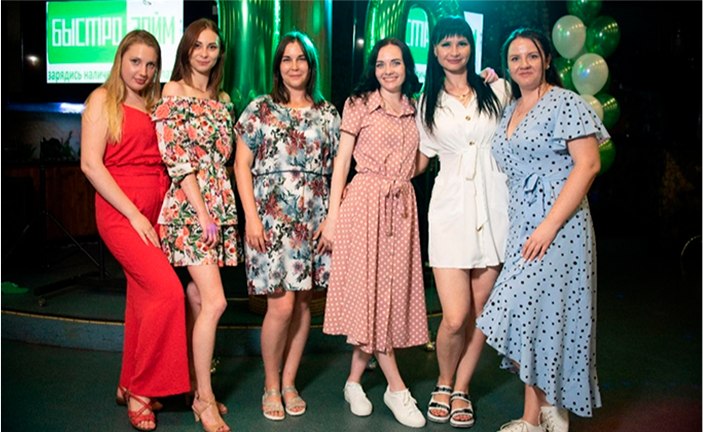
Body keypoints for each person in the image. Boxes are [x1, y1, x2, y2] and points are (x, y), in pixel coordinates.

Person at [476, 28, 606, 432]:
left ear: (547, 59)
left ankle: (547, 412)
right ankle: (539, 416)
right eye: (515, 58)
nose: (524, 64)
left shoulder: (565, 102)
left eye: (532, 56)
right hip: (522, 227)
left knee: (530, 316)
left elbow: (589, 164)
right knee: (529, 322)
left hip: (560, 228)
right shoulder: (510, 108)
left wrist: (549, 226)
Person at [81, 30, 189, 431]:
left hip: (158, 208)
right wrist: (134, 215)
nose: (142, 71)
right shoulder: (102, 100)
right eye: (135, 61)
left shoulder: (155, 104)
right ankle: (143, 391)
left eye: (150, 64)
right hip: (121, 211)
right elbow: (91, 165)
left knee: (143, 299)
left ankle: (128, 383)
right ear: (120, 60)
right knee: (168, 291)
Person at [321, 38, 428, 429]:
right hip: (364, 204)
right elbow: (341, 162)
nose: (388, 70)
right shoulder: (359, 103)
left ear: (407, 67)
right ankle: (396, 388)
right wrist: (333, 216)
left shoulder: (416, 108)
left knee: (388, 295)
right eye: (381, 64)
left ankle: (353, 382)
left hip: (400, 207)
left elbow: (421, 161)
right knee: (371, 294)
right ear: (373, 68)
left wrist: (399, 178)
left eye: (395, 63)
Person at [233, 32, 340, 421]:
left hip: (314, 219)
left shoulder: (329, 114)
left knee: (303, 303)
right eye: (287, 59)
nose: (294, 66)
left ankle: (290, 381)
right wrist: (251, 216)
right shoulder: (260, 109)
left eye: (301, 59)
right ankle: (271, 384)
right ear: (278, 66)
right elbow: (240, 165)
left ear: (312, 65)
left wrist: (332, 218)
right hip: (271, 220)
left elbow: (338, 171)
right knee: (280, 306)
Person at [414, 16, 509, 429]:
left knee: (482, 313)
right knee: (454, 317)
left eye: (462, 42)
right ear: (435, 51)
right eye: (446, 44)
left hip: (494, 207)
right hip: (450, 211)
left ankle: (461, 388)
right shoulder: (425, 103)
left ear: (472, 47)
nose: (454, 51)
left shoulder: (498, 90)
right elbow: (420, 159)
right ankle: (443, 380)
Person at [152, 18, 240, 432]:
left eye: (212, 46)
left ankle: (192, 384)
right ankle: (204, 398)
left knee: (199, 298)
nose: (205, 53)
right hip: (191, 210)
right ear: (186, 49)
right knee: (216, 302)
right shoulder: (173, 91)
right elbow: (176, 158)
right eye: (198, 45)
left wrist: (220, 210)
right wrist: (203, 212)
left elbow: (225, 158)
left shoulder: (223, 99)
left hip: (218, 206)